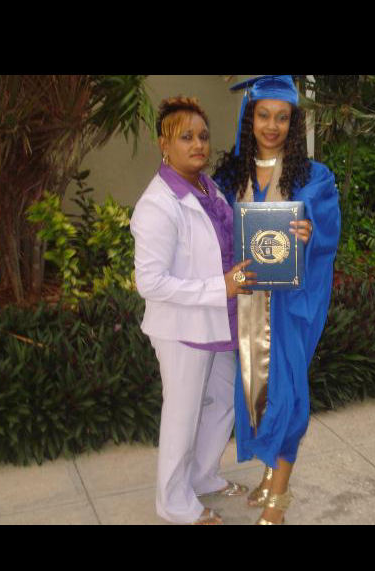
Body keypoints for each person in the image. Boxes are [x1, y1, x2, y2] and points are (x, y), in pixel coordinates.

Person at [214, 75, 341, 525]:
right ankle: (270, 473)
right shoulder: (231, 176)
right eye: (264, 115)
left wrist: (309, 234)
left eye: (282, 117)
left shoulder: (313, 177)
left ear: (293, 122)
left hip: (290, 309)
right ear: (250, 119)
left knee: (287, 395)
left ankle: (278, 502)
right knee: (257, 394)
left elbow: (328, 236)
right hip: (246, 305)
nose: (272, 126)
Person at [130, 96, 257, 525]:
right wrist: (220, 287)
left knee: (222, 400)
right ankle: (173, 502)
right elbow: (150, 283)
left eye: (203, 136)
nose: (198, 144)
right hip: (183, 327)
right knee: (182, 415)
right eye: (186, 137)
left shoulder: (208, 187)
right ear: (164, 144)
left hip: (220, 317)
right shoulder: (157, 204)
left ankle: (202, 476)